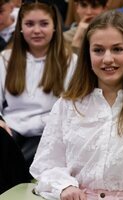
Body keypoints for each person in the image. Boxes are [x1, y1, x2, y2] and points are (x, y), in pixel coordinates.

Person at [30, 10, 123, 200]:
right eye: (98, 50)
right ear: (88, 54)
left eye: (117, 49)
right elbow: (46, 164)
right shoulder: (68, 105)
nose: (107, 59)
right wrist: (64, 186)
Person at [0, 0, 77, 194]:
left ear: (54, 28)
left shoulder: (70, 61)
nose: (36, 30)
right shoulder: (5, 59)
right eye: (29, 24)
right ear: (20, 28)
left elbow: (73, 105)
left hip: (49, 133)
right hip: (13, 132)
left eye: (43, 24)